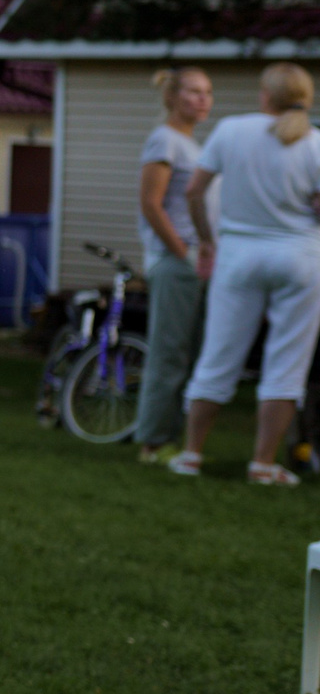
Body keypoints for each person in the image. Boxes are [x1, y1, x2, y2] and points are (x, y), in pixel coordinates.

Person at [172, 63, 320, 486]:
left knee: (218, 356)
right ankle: (262, 464)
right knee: (286, 365)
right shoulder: (315, 143)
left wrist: (205, 239)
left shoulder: (231, 130)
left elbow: (194, 191)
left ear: (264, 95)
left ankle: (191, 454)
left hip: (238, 256)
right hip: (301, 259)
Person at [134, 67, 215, 463]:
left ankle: (176, 441)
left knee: (193, 352)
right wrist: (182, 250)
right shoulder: (164, 140)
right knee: (169, 352)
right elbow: (151, 203)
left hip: (197, 263)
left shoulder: (192, 144)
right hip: (175, 261)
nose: (202, 99)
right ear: (172, 97)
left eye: (207, 92)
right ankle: (152, 443)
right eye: (193, 92)